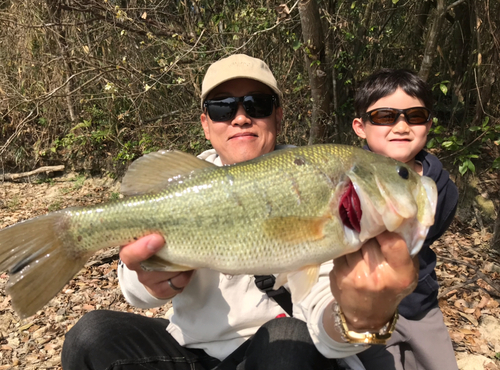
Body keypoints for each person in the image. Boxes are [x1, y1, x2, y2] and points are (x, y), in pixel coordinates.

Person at [61, 55, 419, 370]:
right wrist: (155, 280)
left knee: (286, 340)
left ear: (278, 117)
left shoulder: (323, 180)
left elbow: (324, 318)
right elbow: (135, 292)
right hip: (192, 352)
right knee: (90, 337)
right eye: (222, 107)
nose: (241, 117)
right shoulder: (182, 183)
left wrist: (357, 317)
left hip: (287, 354)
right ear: (205, 124)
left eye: (257, 104)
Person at [351, 68, 459, 370]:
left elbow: (431, 235)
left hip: (421, 308)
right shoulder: (347, 180)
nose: (401, 125)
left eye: (414, 115)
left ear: (428, 124)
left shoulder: (444, 188)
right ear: (360, 126)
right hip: (365, 307)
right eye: (385, 116)